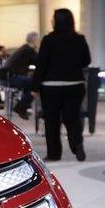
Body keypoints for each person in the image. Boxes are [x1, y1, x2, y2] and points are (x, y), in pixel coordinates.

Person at [32, 9, 91, 162]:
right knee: (72, 117)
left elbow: (41, 64)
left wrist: (34, 86)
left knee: (52, 121)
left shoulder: (48, 40)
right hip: (75, 84)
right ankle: (76, 144)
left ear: (56, 21)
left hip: (51, 86)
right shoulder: (79, 39)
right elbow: (86, 61)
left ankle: (54, 154)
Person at [3, 31, 40, 119]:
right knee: (36, 84)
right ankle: (21, 107)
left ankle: (23, 106)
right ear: (34, 40)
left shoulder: (24, 48)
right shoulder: (29, 50)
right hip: (14, 77)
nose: (39, 42)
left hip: (9, 77)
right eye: (38, 40)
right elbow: (40, 62)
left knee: (30, 84)